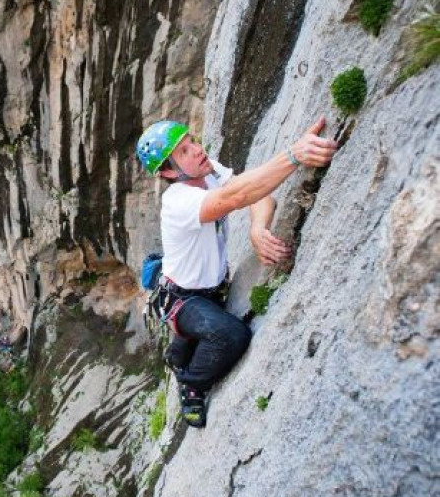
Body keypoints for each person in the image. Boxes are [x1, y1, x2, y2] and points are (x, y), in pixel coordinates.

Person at [136, 117, 337, 427]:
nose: (198, 150)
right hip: (182, 298)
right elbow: (236, 197)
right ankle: (191, 383)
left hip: (208, 291)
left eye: (192, 141)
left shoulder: (208, 170)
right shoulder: (178, 202)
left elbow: (258, 196)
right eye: (184, 151)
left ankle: (181, 349)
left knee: (211, 319)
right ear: (168, 172)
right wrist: (293, 156)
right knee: (231, 335)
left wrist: (257, 227)